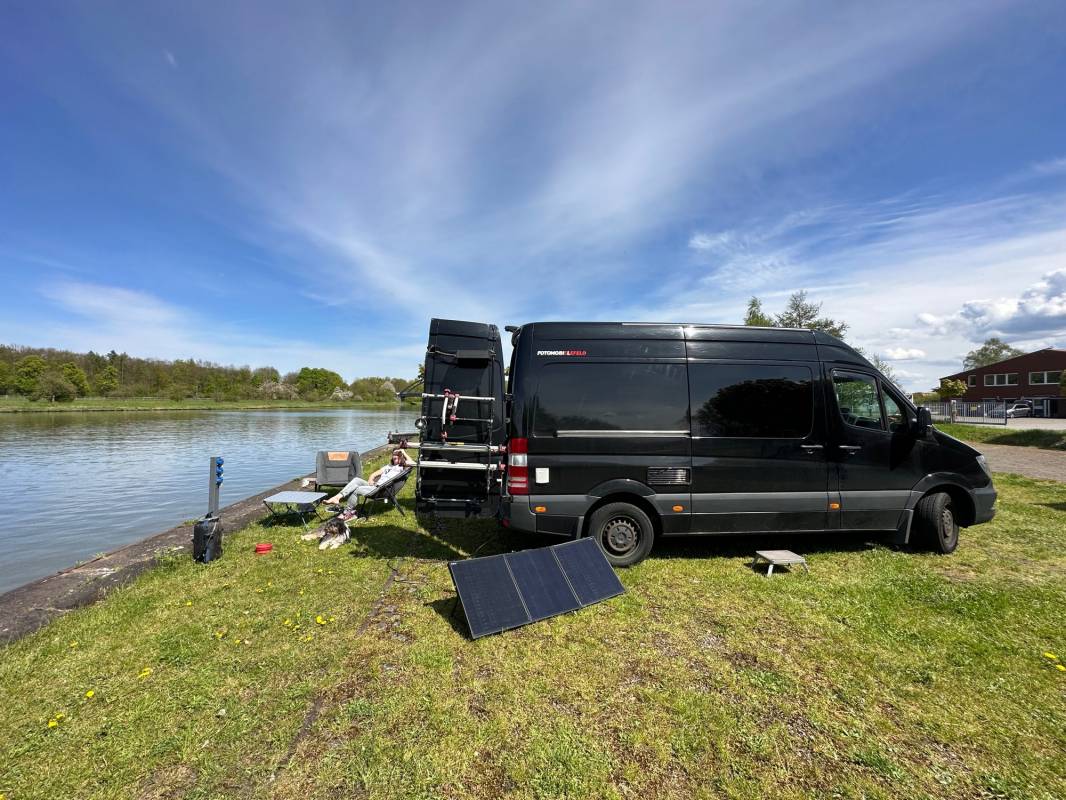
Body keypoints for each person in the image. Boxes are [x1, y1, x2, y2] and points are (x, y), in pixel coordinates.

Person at [326, 448, 415, 522]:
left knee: (357, 489)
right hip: (375, 486)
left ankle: (348, 512)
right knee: (356, 480)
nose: (394, 460)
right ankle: (337, 497)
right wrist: (370, 479)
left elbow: (413, 464)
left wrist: (403, 452)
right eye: (393, 458)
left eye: (396, 458)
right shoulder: (389, 466)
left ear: (401, 458)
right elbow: (375, 474)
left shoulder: (402, 467)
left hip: (382, 490)